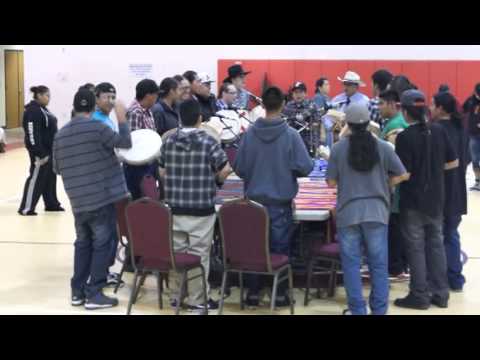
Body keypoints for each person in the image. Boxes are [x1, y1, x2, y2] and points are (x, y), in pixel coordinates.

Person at [233, 86, 314, 308]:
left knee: (254, 248)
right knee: (280, 249)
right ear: (282, 105)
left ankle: (252, 293)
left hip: (253, 203)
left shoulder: (249, 135)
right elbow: (306, 168)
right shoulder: (291, 136)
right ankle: (280, 294)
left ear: (263, 105)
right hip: (280, 203)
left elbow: (239, 168)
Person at [52, 89, 132, 310]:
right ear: (92, 107)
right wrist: (122, 116)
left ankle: (77, 292)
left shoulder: (61, 134)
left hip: (77, 200)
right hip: (101, 198)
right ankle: (95, 294)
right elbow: (125, 143)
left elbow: (57, 169)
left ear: (75, 107)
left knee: (82, 243)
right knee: (101, 244)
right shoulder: (99, 128)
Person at [326, 103, 408, 315]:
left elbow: (331, 183)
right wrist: (385, 184)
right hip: (377, 213)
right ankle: (379, 311)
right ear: (369, 123)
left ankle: (357, 311)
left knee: (352, 267)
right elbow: (402, 174)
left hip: (348, 214)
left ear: (348, 124)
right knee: (379, 267)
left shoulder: (338, 148)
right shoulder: (383, 147)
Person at [158, 99, 233, 312]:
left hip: (174, 209)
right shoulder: (209, 142)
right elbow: (225, 169)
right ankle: (197, 300)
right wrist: (216, 180)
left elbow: (162, 172)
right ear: (200, 119)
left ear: (180, 118)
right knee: (199, 257)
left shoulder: (169, 141)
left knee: (177, 254)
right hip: (201, 210)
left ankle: (175, 297)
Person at [394, 90, 458, 310]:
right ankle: (441, 293)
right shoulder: (439, 131)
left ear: (405, 111)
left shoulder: (404, 137)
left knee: (416, 248)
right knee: (436, 245)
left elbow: (404, 173)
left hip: (413, 200)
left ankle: (419, 295)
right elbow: (453, 163)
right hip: (436, 199)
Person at [431, 91, 470, 292]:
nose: (429, 109)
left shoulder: (437, 130)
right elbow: (468, 158)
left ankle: (440, 279)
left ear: (440, 108)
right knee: (451, 234)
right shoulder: (460, 129)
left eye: (432, 105)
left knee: (439, 235)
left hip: (442, 190)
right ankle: (455, 278)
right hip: (458, 189)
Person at [91, 82, 125, 288]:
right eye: (106, 97)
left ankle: (103, 271)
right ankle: (98, 276)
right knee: (103, 234)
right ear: (96, 98)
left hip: (110, 182)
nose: (111, 102)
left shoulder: (106, 119)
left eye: (113, 98)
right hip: (100, 186)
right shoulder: (96, 121)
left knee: (111, 232)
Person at [378, 89, 410, 280]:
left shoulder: (397, 126)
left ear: (391, 104)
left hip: (395, 187)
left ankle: (397, 267)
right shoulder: (392, 123)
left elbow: (396, 161)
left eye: (381, 104)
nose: (379, 108)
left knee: (395, 228)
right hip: (394, 186)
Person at [19, 86, 64, 216]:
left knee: (49, 177)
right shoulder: (33, 111)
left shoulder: (43, 110)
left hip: (49, 151)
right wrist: (40, 153)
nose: (48, 98)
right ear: (38, 95)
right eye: (46, 95)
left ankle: (51, 204)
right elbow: (32, 134)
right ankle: (26, 208)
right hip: (40, 153)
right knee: (36, 177)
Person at [123, 79, 159, 200]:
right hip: (137, 167)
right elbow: (134, 143)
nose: (156, 99)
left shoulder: (147, 111)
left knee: (150, 200)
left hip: (148, 163)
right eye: (155, 96)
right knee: (139, 202)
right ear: (148, 95)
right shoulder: (135, 112)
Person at [283, 81, 323, 155]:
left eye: (300, 92)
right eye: (295, 92)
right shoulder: (288, 107)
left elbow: (317, 123)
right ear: (292, 94)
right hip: (292, 143)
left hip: (309, 144)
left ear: (305, 93)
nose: (298, 95)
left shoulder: (312, 105)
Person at [462, 83, 480, 191]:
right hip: (474, 134)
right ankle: (477, 182)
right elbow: (462, 110)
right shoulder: (470, 100)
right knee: (474, 159)